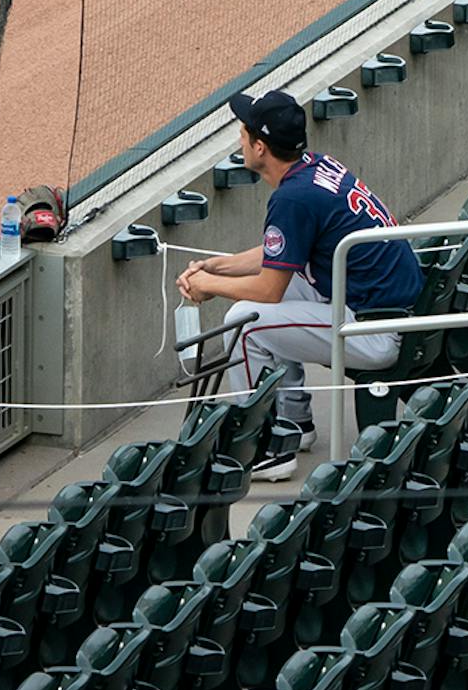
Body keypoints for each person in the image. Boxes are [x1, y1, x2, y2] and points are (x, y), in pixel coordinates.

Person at [178, 90, 423, 481]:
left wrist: (211, 286)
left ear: (260, 147)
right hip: (382, 304)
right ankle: (295, 425)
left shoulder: (293, 198)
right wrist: (218, 267)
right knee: (270, 301)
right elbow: (282, 253)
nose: (239, 139)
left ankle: (266, 448)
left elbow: (268, 290)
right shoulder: (315, 167)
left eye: (244, 133)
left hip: (376, 328)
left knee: (245, 321)